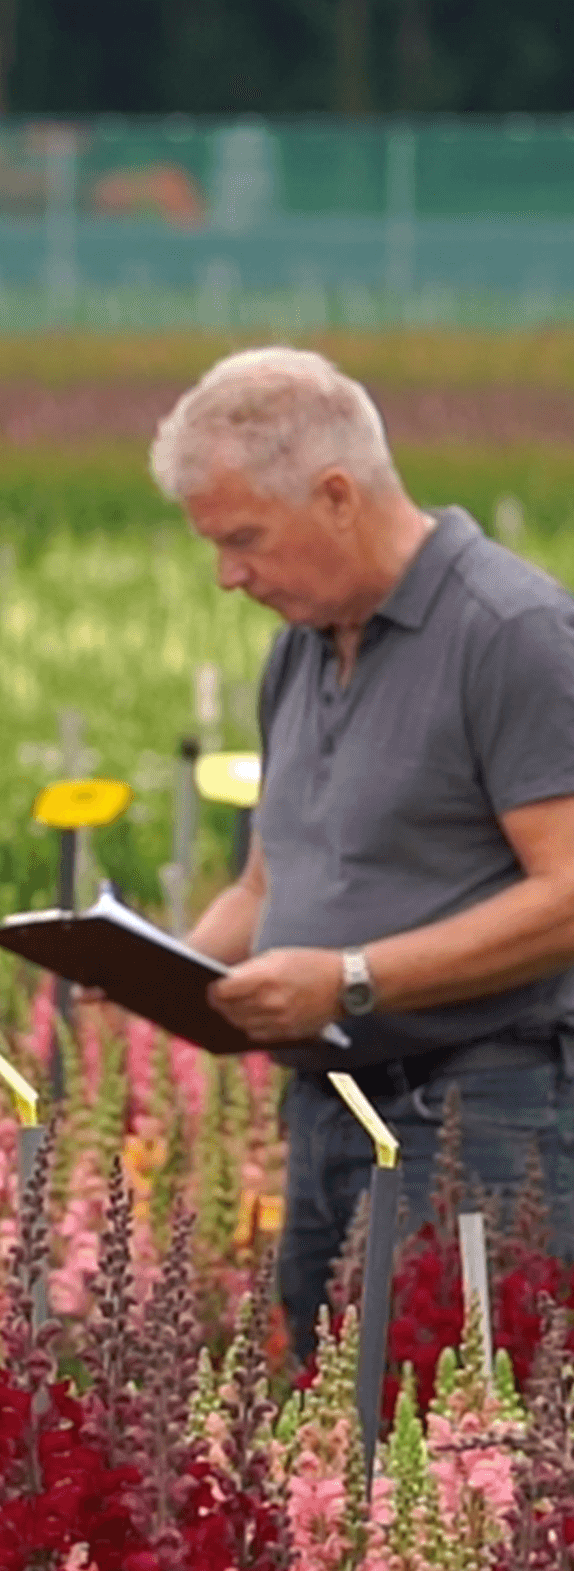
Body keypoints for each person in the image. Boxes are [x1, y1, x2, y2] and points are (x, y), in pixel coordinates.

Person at [161, 347, 574, 1359]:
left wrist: (351, 979)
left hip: (482, 1112)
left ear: (337, 495)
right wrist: (158, 963)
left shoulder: (510, 631)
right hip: (333, 1111)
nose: (229, 577)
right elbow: (271, 879)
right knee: (333, 1424)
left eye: (245, 539)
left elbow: (568, 890)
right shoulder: (301, 642)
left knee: (464, 1425)